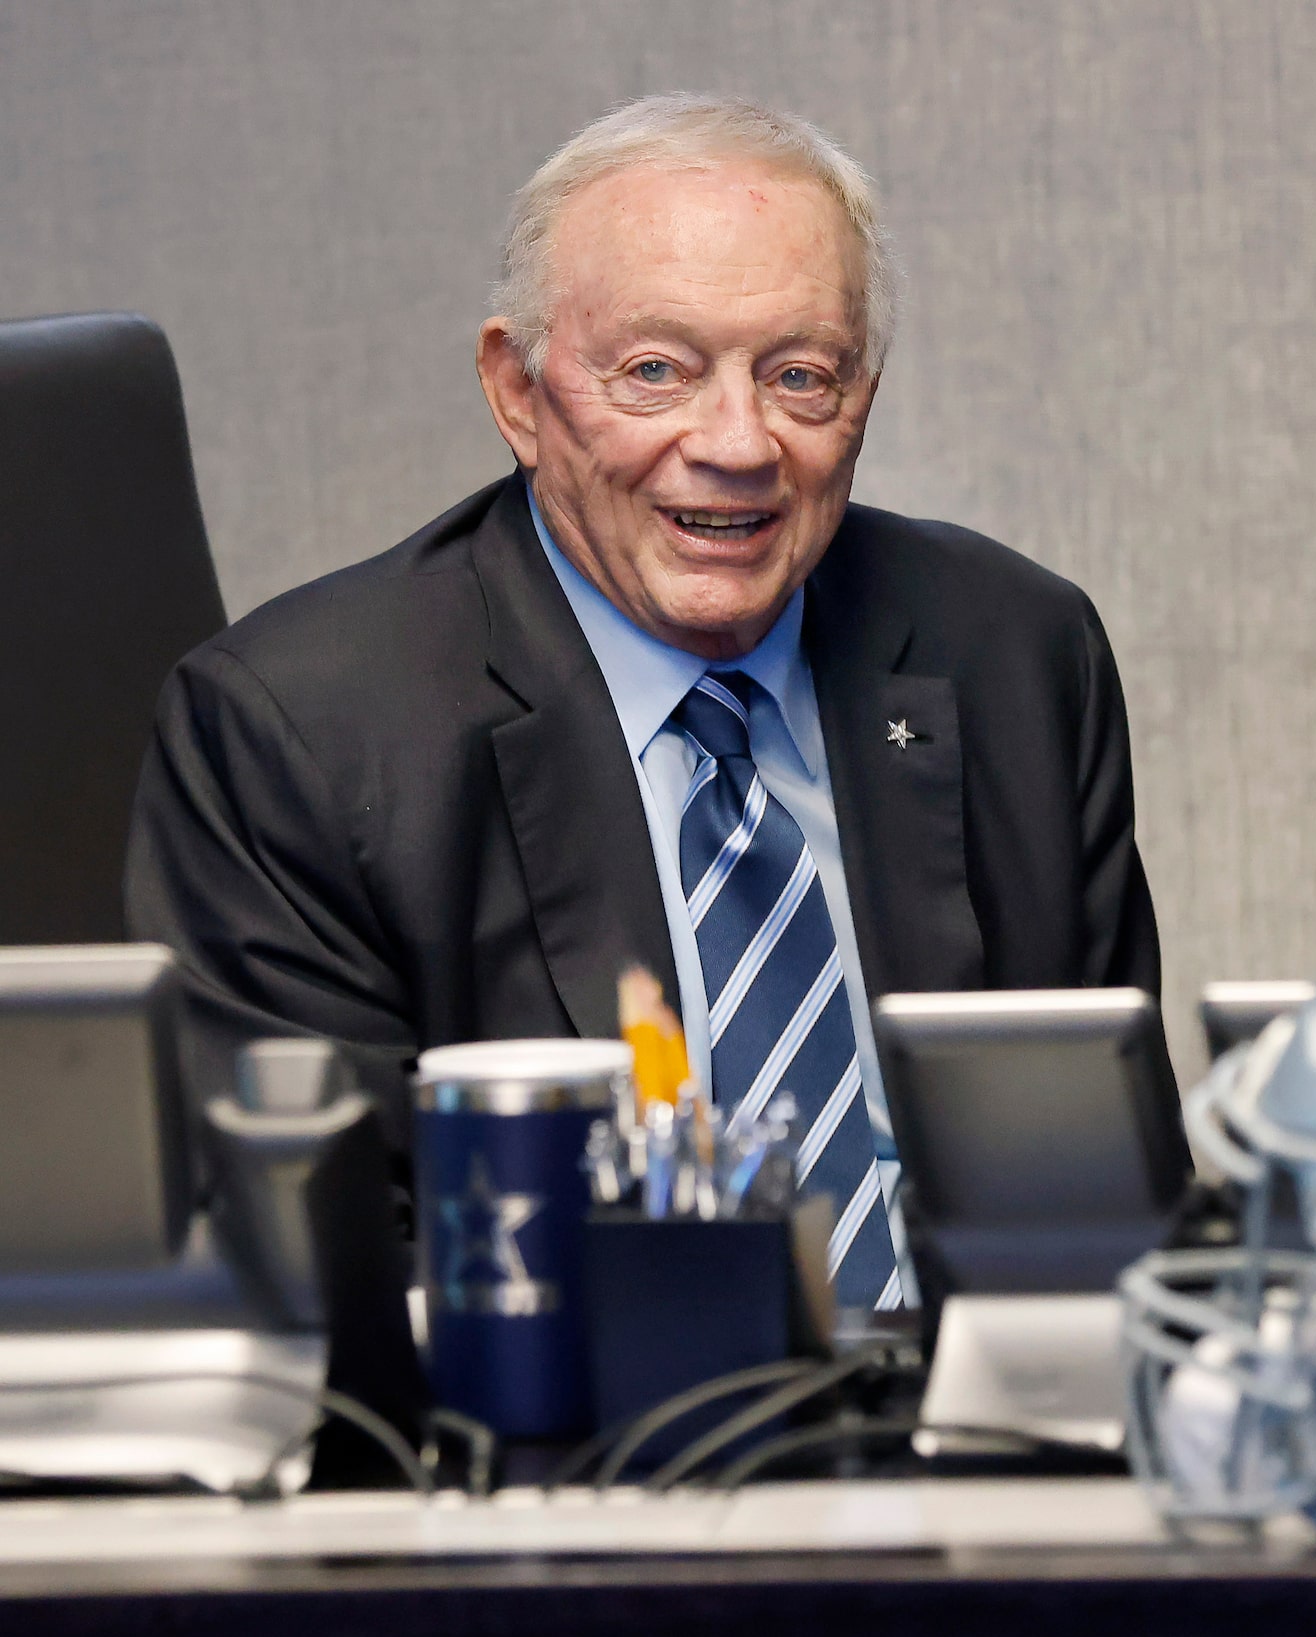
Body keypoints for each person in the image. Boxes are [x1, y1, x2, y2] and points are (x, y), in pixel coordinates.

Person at [126, 96, 1174, 1308]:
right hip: (563, 1453)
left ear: (863, 401)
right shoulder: (302, 733)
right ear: (517, 391)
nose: (737, 442)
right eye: (656, 372)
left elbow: (1112, 1191)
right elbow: (328, 1276)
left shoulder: (1015, 655)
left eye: (799, 376)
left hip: (985, 1439)